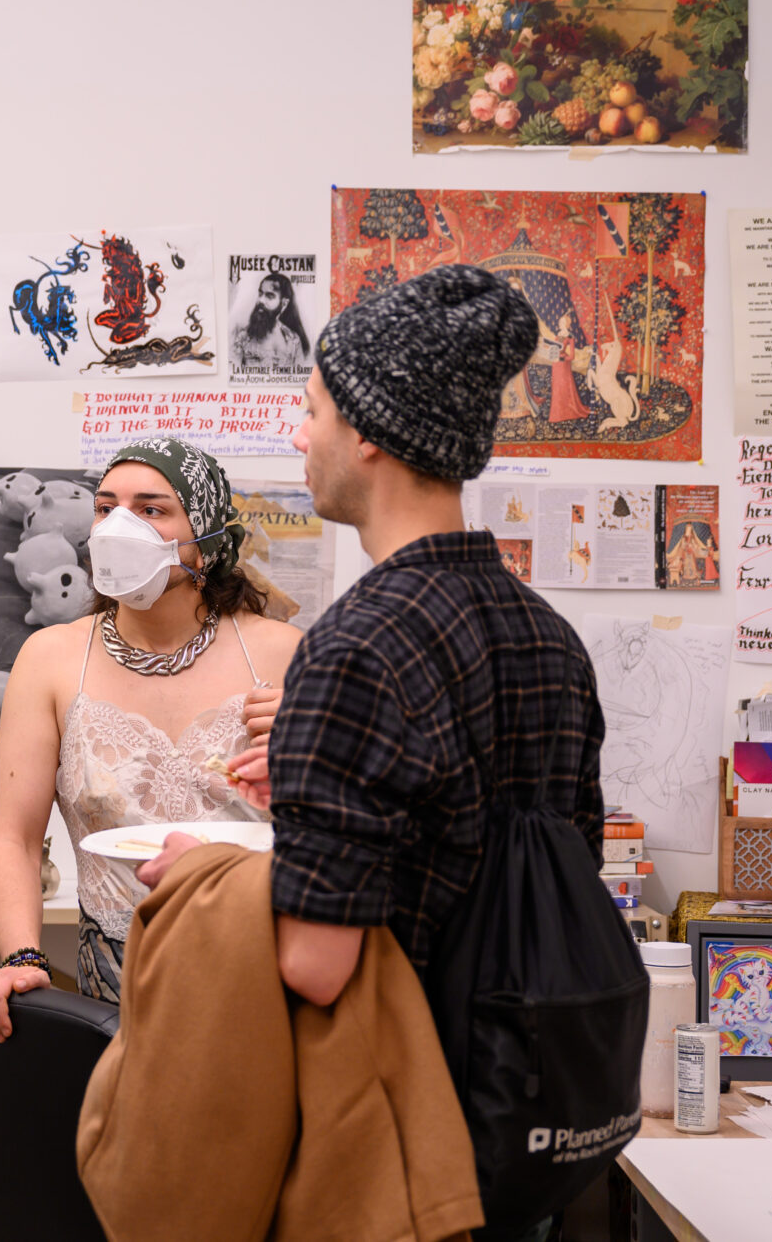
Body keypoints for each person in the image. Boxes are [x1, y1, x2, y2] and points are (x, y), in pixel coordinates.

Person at [145, 266, 604, 1092]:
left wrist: (201, 871)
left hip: (403, 1123)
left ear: (368, 433)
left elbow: (315, 963)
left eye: (313, 409)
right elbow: (512, 865)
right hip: (525, 1106)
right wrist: (313, 787)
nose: (298, 435)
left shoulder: (354, 646)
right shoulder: (553, 640)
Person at [0, 438, 300, 1035]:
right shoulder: (50, 658)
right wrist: (22, 957)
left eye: (151, 509)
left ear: (209, 538)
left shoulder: (284, 652)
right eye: (105, 506)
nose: (119, 526)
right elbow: (13, 838)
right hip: (116, 981)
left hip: (267, 967)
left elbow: (341, 828)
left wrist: (311, 753)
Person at [232, 268, 312, 377]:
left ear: (284, 303)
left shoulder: (293, 341)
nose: (261, 300)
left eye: (269, 296)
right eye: (260, 294)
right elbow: (231, 374)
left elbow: (303, 379)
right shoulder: (244, 337)